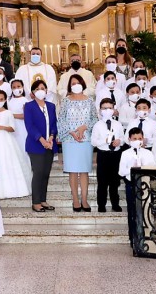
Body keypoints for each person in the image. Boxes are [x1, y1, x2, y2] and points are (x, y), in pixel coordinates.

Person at [58, 74, 98, 212]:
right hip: (70, 140)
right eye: (73, 83)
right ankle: (75, 199)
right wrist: (71, 132)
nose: (76, 85)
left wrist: (84, 127)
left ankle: (85, 200)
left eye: (78, 82)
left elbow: (95, 119)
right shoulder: (66, 101)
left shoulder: (90, 101)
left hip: (85, 140)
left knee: (84, 171)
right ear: (70, 85)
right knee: (73, 171)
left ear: (83, 83)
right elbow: (61, 119)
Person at [0, 90, 32, 199]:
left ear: (5, 100)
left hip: (6, 141)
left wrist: (2, 127)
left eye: (1, 99)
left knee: (7, 161)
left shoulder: (8, 113)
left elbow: (12, 128)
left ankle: (12, 189)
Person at [24, 80, 58, 212]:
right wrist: (42, 140)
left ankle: (43, 200)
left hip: (50, 144)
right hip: (36, 144)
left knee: (45, 173)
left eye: (43, 88)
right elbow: (30, 126)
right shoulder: (29, 106)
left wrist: (51, 137)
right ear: (33, 92)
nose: (40, 90)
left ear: (46, 91)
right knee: (38, 173)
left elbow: (54, 124)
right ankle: (36, 202)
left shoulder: (51, 106)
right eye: (37, 88)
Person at [118, 127, 155, 243]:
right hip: (131, 184)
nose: (137, 140)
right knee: (132, 210)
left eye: (139, 138)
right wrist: (131, 169)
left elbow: (153, 168)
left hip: (145, 184)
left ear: (143, 139)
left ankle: (146, 235)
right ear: (129, 139)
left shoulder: (148, 153)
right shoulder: (125, 153)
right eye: (134, 138)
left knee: (145, 210)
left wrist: (143, 167)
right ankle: (133, 237)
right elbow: (121, 171)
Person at [91, 98, 125, 212]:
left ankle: (115, 203)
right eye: (104, 108)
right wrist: (104, 141)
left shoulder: (118, 124)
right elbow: (93, 142)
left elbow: (123, 138)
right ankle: (101, 204)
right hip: (103, 155)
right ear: (100, 110)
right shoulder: (97, 125)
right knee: (102, 182)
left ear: (113, 109)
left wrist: (120, 141)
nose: (107, 110)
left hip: (116, 154)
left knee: (115, 181)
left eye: (110, 108)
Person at [8, 79, 29, 162]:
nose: (16, 89)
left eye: (18, 86)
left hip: (22, 127)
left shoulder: (25, 100)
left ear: (22, 87)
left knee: (22, 145)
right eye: (14, 87)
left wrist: (12, 115)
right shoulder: (9, 101)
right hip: (12, 127)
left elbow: (26, 116)